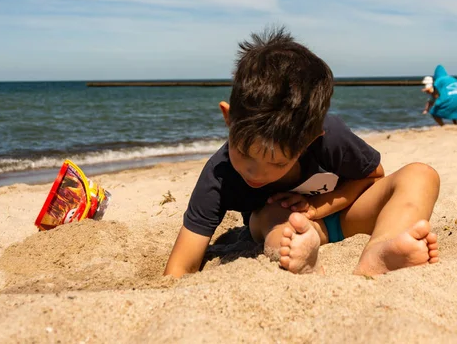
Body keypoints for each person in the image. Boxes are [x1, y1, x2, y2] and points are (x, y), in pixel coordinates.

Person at [164, 27, 440, 279]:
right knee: (275, 219)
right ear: (229, 118)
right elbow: (180, 266)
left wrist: (319, 207)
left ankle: (379, 251)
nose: (256, 172)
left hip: (346, 217)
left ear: (310, 139)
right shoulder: (219, 175)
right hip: (280, 224)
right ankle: (303, 263)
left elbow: (373, 176)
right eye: (245, 154)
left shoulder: (329, 136)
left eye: (278, 161)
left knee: (421, 175)